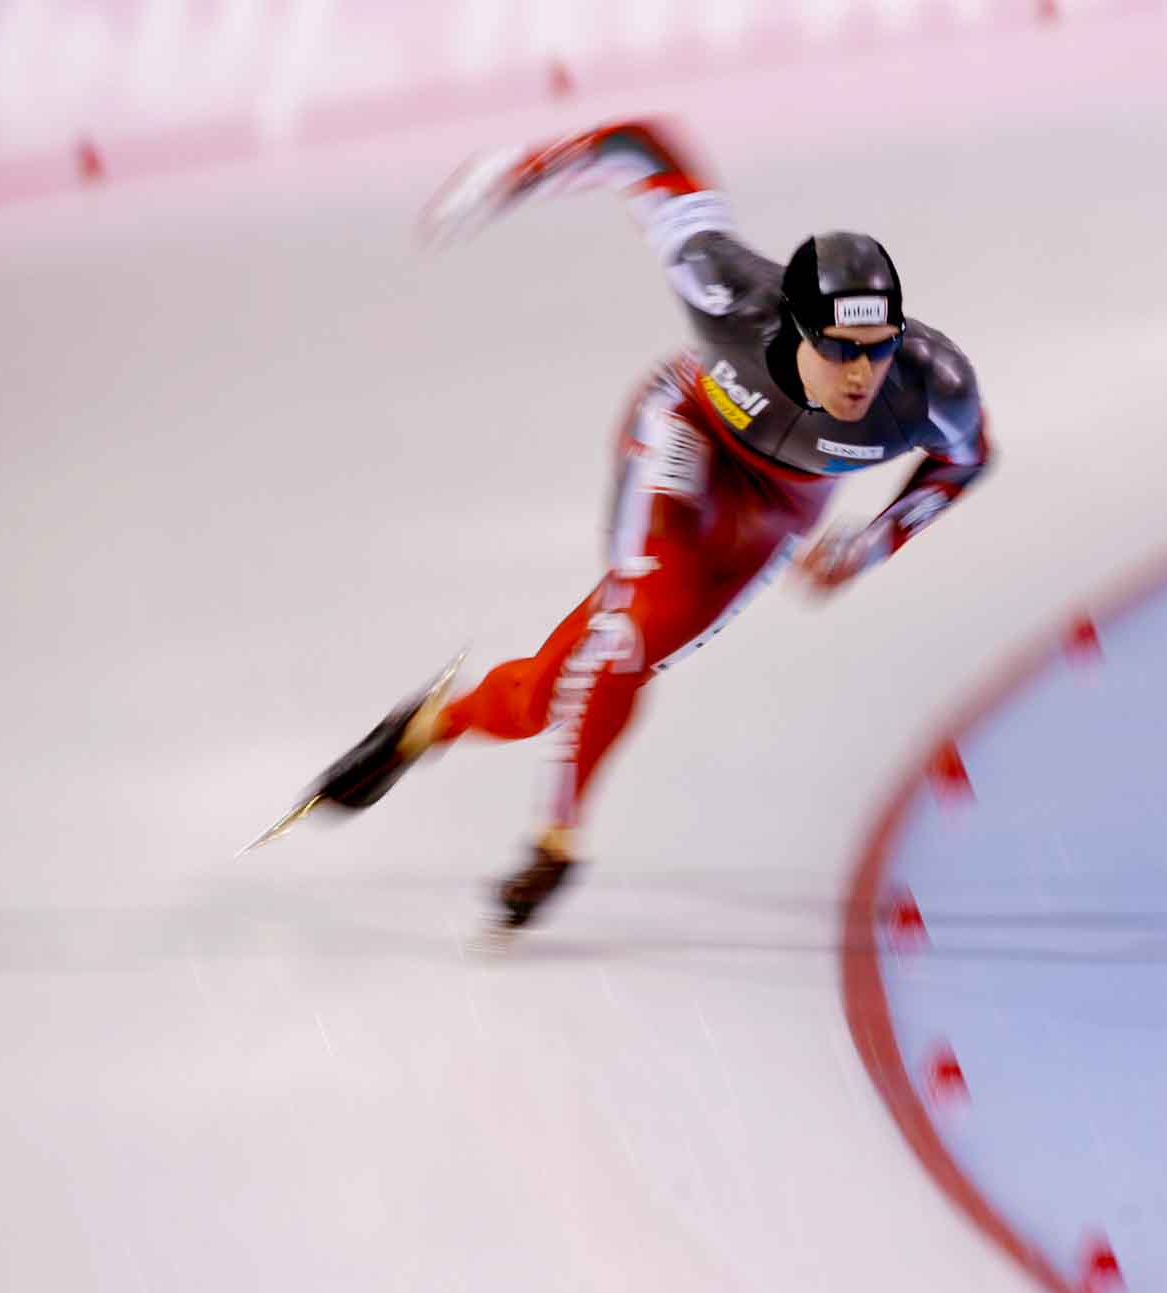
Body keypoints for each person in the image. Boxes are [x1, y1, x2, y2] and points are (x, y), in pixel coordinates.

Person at [252, 119, 994, 929]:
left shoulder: (932, 383)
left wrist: (877, 537)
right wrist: (523, 169)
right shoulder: (727, 290)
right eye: (840, 349)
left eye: (877, 349)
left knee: (553, 692)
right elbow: (645, 150)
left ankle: (429, 725)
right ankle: (555, 842)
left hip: (780, 507)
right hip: (685, 434)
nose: (861, 374)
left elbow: (966, 460)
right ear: (797, 327)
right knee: (624, 637)